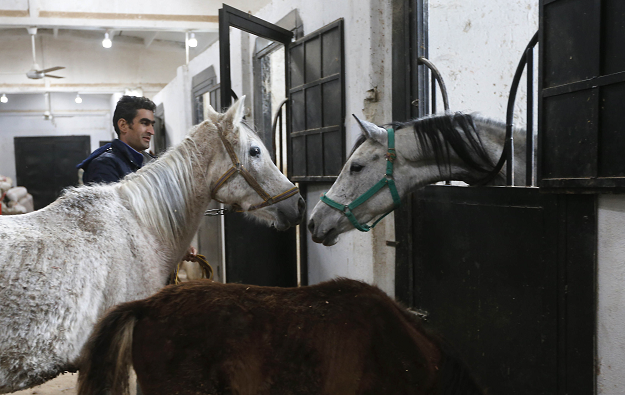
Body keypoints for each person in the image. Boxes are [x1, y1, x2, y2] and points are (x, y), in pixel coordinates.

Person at [77, 95, 156, 184]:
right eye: (145, 123)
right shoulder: (104, 165)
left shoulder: (152, 162)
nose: (151, 131)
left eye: (152, 125)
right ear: (123, 125)